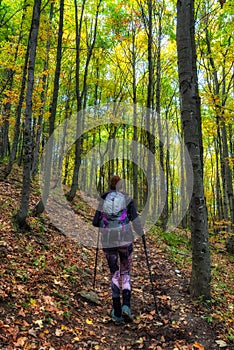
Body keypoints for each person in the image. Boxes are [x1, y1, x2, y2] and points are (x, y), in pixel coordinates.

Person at [92, 175, 144, 324]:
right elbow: (135, 220)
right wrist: (141, 233)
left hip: (109, 242)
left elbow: (95, 222)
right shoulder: (127, 199)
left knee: (115, 274)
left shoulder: (103, 199)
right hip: (125, 240)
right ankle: (126, 306)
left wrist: (104, 223)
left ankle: (117, 311)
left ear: (110, 185)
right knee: (125, 273)